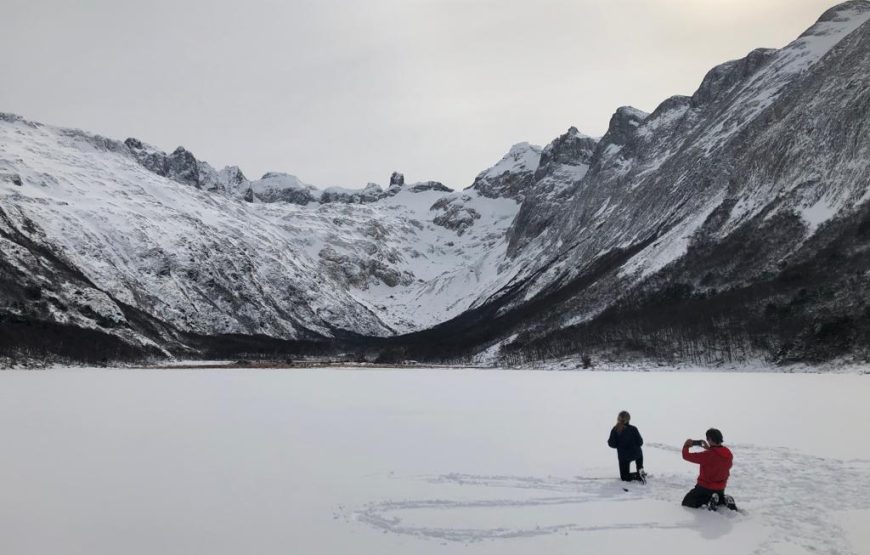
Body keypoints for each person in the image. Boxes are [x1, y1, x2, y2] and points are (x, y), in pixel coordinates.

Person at [681, 428, 736, 510]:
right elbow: (718, 457)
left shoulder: (707, 455)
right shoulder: (728, 453)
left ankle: (709, 501)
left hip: (705, 487)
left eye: (707, 439)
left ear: (710, 439)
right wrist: (709, 448)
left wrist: (686, 445)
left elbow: (686, 456)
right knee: (717, 494)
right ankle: (722, 499)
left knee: (687, 502)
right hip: (721, 488)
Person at [607, 410, 646, 483]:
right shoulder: (634, 428)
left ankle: (637, 475)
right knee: (639, 457)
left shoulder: (615, 430)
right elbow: (640, 442)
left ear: (618, 418)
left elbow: (612, 444)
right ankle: (640, 471)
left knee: (624, 477)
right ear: (629, 419)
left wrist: (618, 444)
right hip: (637, 454)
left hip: (624, 457)